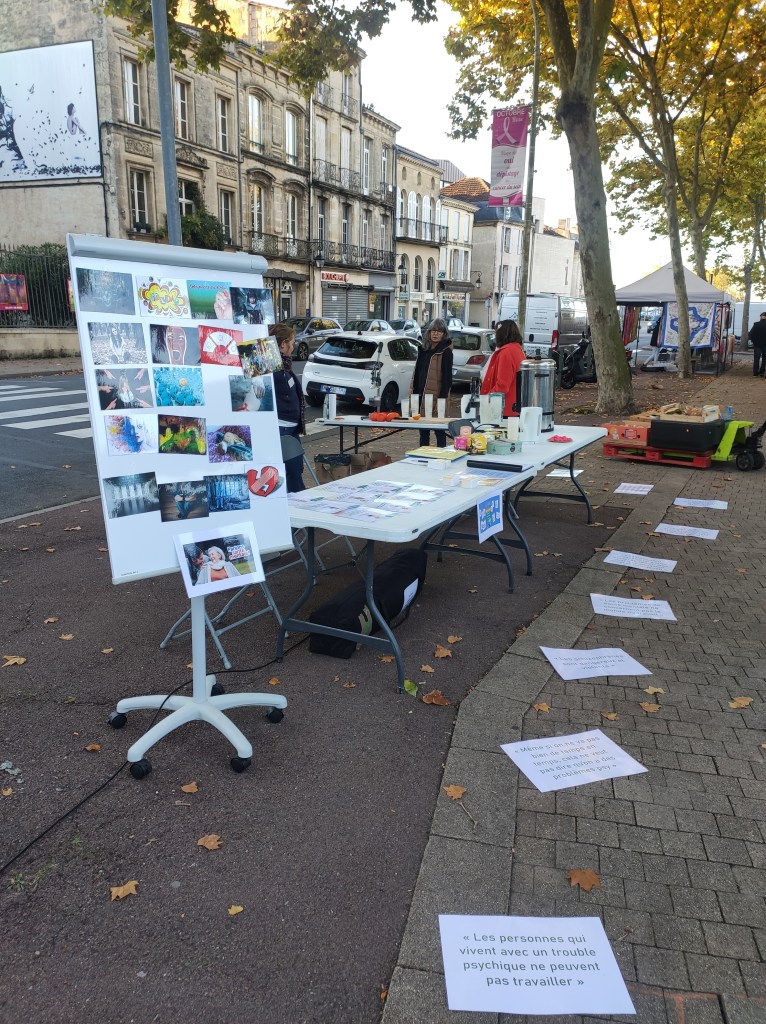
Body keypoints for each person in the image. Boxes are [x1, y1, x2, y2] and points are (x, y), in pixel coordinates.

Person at [270, 322, 306, 491]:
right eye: (292, 342)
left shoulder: (285, 366)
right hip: (281, 430)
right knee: (292, 472)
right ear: (282, 345)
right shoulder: (273, 367)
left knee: (295, 470)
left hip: (290, 429)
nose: (293, 346)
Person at [411, 318, 453, 447]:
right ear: (429, 332)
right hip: (421, 395)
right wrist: (413, 394)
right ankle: (423, 454)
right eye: (433, 331)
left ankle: (441, 455)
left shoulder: (446, 351)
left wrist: (441, 400)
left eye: (439, 331)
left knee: (439, 430)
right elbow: (417, 374)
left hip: (436, 397)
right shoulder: (423, 349)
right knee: (423, 431)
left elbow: (447, 379)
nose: (435, 334)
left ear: (444, 334)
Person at [480, 318, 525, 417]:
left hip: (503, 409)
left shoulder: (506, 353)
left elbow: (502, 385)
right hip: (514, 407)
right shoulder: (517, 350)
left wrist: (486, 399)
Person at [748, 311, 766, 377]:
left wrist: (753, 341)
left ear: (761, 317)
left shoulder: (756, 324)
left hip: (757, 345)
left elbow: (750, 334)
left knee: (756, 359)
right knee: (764, 359)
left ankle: (755, 373)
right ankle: (762, 372)